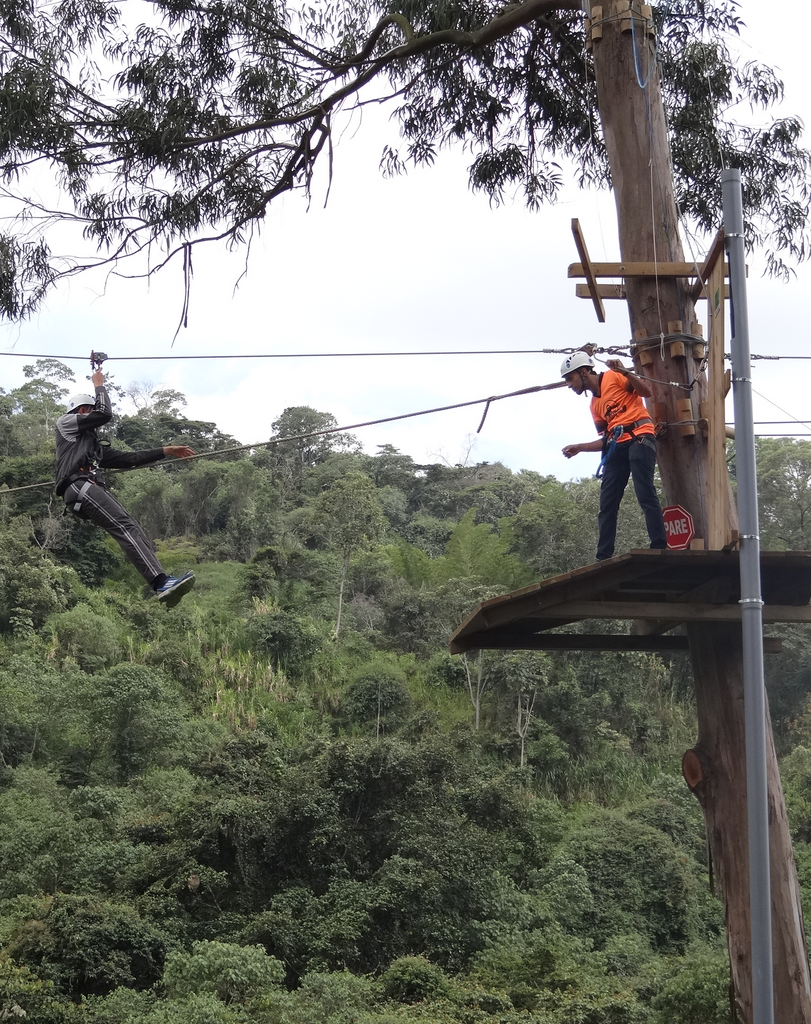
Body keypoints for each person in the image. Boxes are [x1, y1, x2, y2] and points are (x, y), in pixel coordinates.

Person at [55, 369, 197, 605]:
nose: (96, 425)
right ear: (82, 411)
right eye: (90, 413)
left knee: (131, 527)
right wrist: (99, 385)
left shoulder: (94, 448)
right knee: (125, 526)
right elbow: (105, 413)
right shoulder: (66, 424)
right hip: (78, 485)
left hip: (86, 490)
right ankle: (160, 583)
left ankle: (163, 584)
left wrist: (166, 451)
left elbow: (131, 459)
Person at [560, 350, 667, 561]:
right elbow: (606, 441)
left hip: (639, 437)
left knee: (644, 491)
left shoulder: (613, 376)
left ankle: (659, 546)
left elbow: (645, 392)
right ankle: (603, 556)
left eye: (570, 378)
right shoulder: (595, 406)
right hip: (617, 445)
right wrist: (580, 447)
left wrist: (626, 372)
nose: (569, 385)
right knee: (607, 502)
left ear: (583, 372)